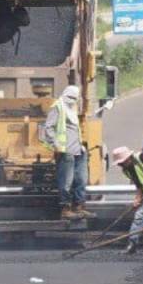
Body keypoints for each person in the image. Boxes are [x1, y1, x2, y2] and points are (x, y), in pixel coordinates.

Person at [41, 85, 90, 219]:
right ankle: (65, 208)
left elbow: (74, 129)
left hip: (78, 150)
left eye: (75, 98)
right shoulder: (58, 107)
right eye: (70, 97)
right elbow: (48, 127)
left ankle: (79, 206)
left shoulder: (72, 108)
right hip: (66, 151)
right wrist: (56, 145)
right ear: (64, 95)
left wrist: (81, 146)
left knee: (81, 179)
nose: (72, 100)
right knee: (66, 181)